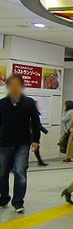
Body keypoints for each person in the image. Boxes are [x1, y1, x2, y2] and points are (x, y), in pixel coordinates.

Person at [0, 75, 42, 213]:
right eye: (11, 84)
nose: (14, 87)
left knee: (20, 171)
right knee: (2, 172)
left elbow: (36, 123)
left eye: (17, 84)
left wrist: (36, 140)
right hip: (4, 142)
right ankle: (4, 197)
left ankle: (18, 202)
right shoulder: (2, 103)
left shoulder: (29, 103)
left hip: (23, 142)